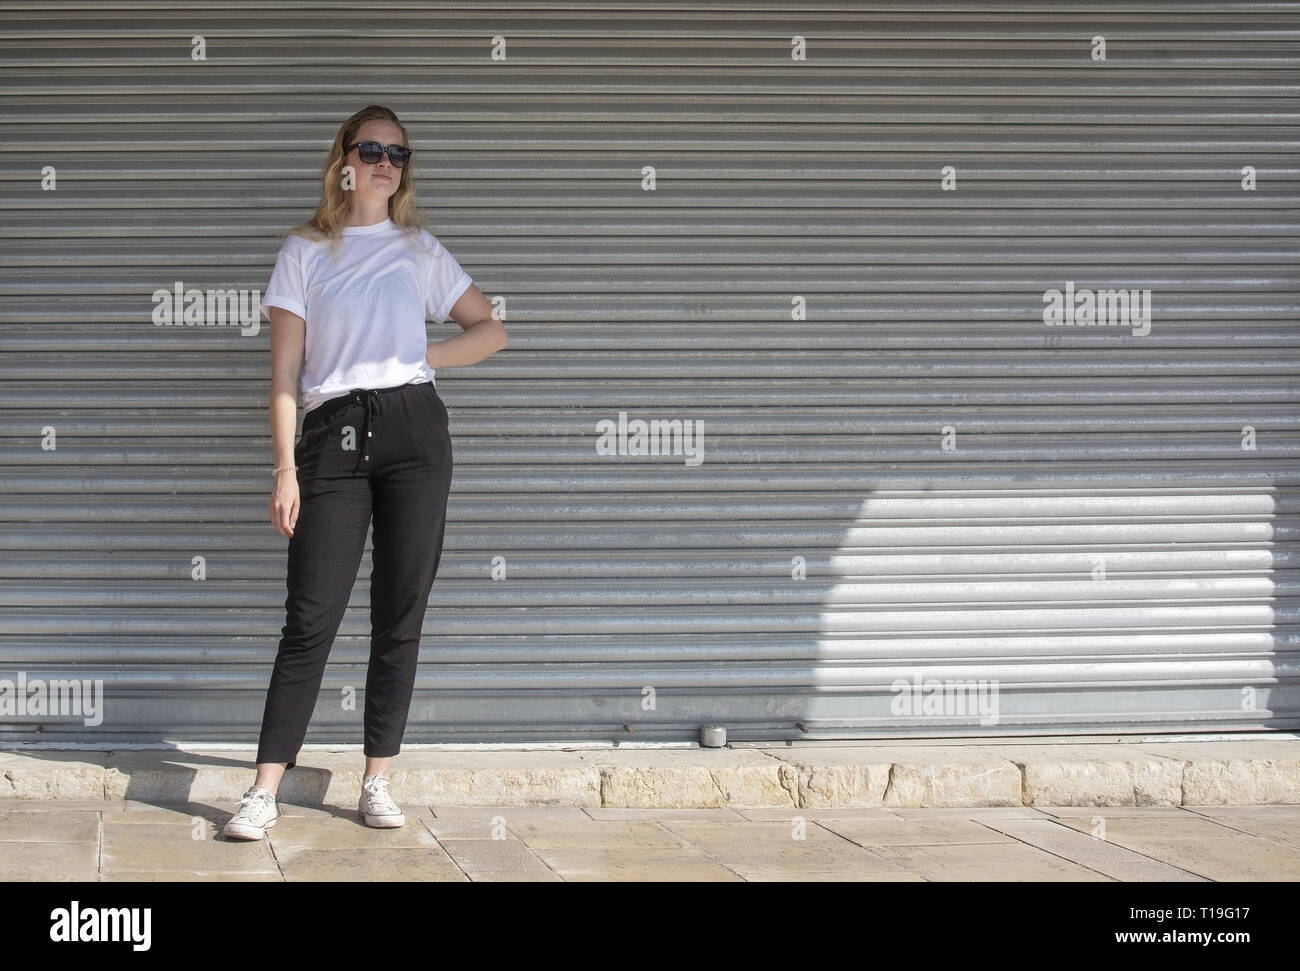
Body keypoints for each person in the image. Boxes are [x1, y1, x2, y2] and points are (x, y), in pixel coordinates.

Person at [223, 105, 506, 841]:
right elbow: (284, 373)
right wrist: (284, 468)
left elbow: (491, 330)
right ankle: (263, 790)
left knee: (399, 614)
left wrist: (421, 362)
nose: (386, 161)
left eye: (399, 153)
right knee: (309, 618)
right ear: (344, 159)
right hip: (333, 438)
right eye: (372, 148)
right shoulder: (305, 250)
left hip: (415, 433)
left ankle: (377, 779)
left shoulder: (420, 248)